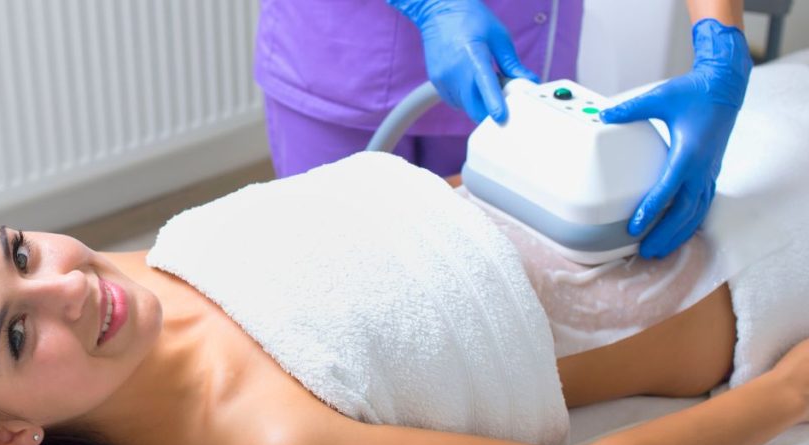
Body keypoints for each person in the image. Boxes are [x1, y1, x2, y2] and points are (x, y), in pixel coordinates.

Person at [0, 153, 809, 445]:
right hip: (735, 288)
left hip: (621, 175)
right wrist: (784, 398)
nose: (71, 282)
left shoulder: (125, 285)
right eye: (16, 332)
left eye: (19, 249)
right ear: (8, 431)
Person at [255, 0, 752, 259]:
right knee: (332, 269)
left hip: (514, 71)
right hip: (342, 58)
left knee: (482, 277)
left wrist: (721, 46)